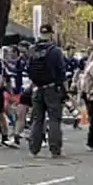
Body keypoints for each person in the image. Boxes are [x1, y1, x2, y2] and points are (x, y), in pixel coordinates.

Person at [26, 24, 67, 158]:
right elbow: (61, 72)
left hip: (37, 88)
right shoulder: (55, 51)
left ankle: (34, 147)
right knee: (54, 119)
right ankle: (55, 148)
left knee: (38, 119)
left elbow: (29, 70)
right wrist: (65, 90)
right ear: (50, 34)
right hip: (52, 88)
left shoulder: (32, 50)